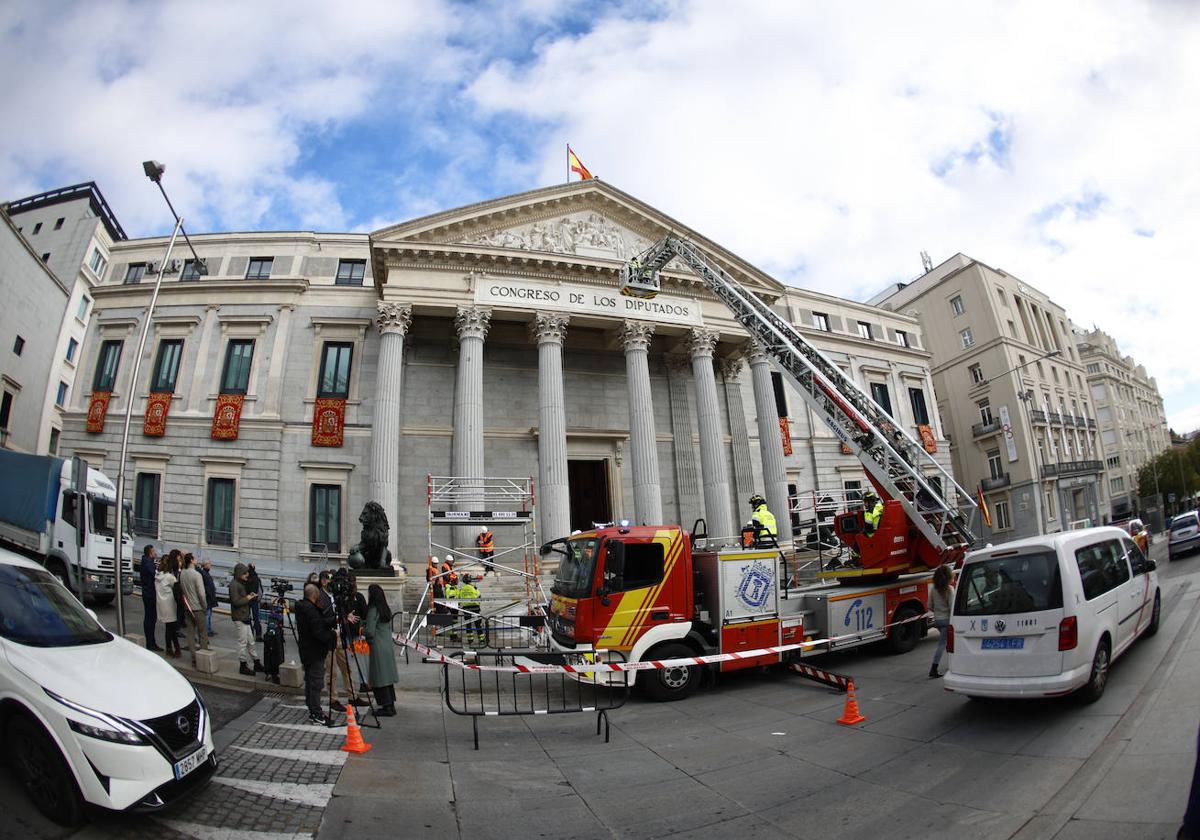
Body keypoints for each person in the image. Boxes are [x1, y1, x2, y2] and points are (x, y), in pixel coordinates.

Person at [319, 572, 367, 710]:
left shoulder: (336, 596)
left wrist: (346, 617)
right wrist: (341, 619)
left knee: (346, 667)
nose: (333, 584)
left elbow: (340, 613)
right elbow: (322, 619)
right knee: (331, 671)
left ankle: (353, 696)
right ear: (323, 582)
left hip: (339, 635)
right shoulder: (321, 597)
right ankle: (333, 699)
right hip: (329, 637)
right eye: (330, 580)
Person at [295, 582, 335, 726]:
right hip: (314, 651)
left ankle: (313, 710)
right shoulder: (311, 611)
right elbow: (318, 631)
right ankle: (317, 713)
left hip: (307, 650)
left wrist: (333, 620)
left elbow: (318, 623)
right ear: (314, 596)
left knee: (311, 681)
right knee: (316, 683)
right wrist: (331, 636)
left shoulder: (304, 608)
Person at [362, 584, 398, 715]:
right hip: (386, 645)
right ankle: (391, 704)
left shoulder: (373, 609)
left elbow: (370, 631)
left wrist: (363, 629)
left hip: (377, 646)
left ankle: (386, 706)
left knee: (379, 678)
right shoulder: (384, 608)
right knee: (387, 678)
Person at [229, 563, 263, 677]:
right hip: (240, 617)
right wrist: (248, 598)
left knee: (251, 641)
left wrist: (249, 596)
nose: (247, 575)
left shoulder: (240, 583)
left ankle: (256, 662)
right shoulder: (234, 585)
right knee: (243, 643)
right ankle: (243, 665)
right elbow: (235, 601)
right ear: (239, 574)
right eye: (245, 573)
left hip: (245, 616)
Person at [179, 553, 209, 665]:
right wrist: (204, 606)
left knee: (190, 633)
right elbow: (201, 593)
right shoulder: (197, 575)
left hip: (187, 607)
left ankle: (193, 657)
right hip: (198, 607)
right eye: (195, 558)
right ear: (191, 560)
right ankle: (203, 657)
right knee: (202, 633)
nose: (197, 560)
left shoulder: (182, 573)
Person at [929, 564, 954, 678]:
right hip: (947, 620)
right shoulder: (949, 589)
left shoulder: (933, 589)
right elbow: (952, 606)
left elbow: (930, 606)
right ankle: (934, 668)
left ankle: (952, 664)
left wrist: (938, 611)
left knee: (948, 643)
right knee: (943, 644)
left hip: (938, 620)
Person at [154, 551, 181, 658]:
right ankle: (174, 648)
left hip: (161, 604)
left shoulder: (158, 576)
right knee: (172, 628)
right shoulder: (170, 577)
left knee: (169, 628)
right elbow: (177, 589)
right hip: (170, 605)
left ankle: (171, 648)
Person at [139, 545, 161, 651]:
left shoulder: (147, 561)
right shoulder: (148, 563)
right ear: (150, 552)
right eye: (154, 551)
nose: (155, 552)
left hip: (149, 592)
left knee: (151, 618)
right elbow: (155, 575)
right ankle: (150, 643)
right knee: (150, 618)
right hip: (149, 594)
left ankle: (151, 642)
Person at [457, 573, 483, 645]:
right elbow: (479, 596)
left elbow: (459, 598)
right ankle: (481, 640)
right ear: (470, 580)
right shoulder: (474, 587)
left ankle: (470, 640)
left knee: (468, 624)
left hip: (466, 609)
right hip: (475, 608)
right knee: (478, 624)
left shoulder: (462, 589)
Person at [200, 558, 218, 635]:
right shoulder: (204, 574)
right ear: (205, 565)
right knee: (207, 615)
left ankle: (209, 629)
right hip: (208, 598)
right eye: (208, 563)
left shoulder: (206, 573)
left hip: (209, 598)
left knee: (209, 615)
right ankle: (207, 630)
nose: (210, 565)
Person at [247, 563, 264, 642]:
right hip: (255, 600)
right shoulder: (257, 578)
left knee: (248, 618)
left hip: (247, 600)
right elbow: (260, 590)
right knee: (256, 618)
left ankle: (250, 633)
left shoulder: (246, 578)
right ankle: (258, 635)